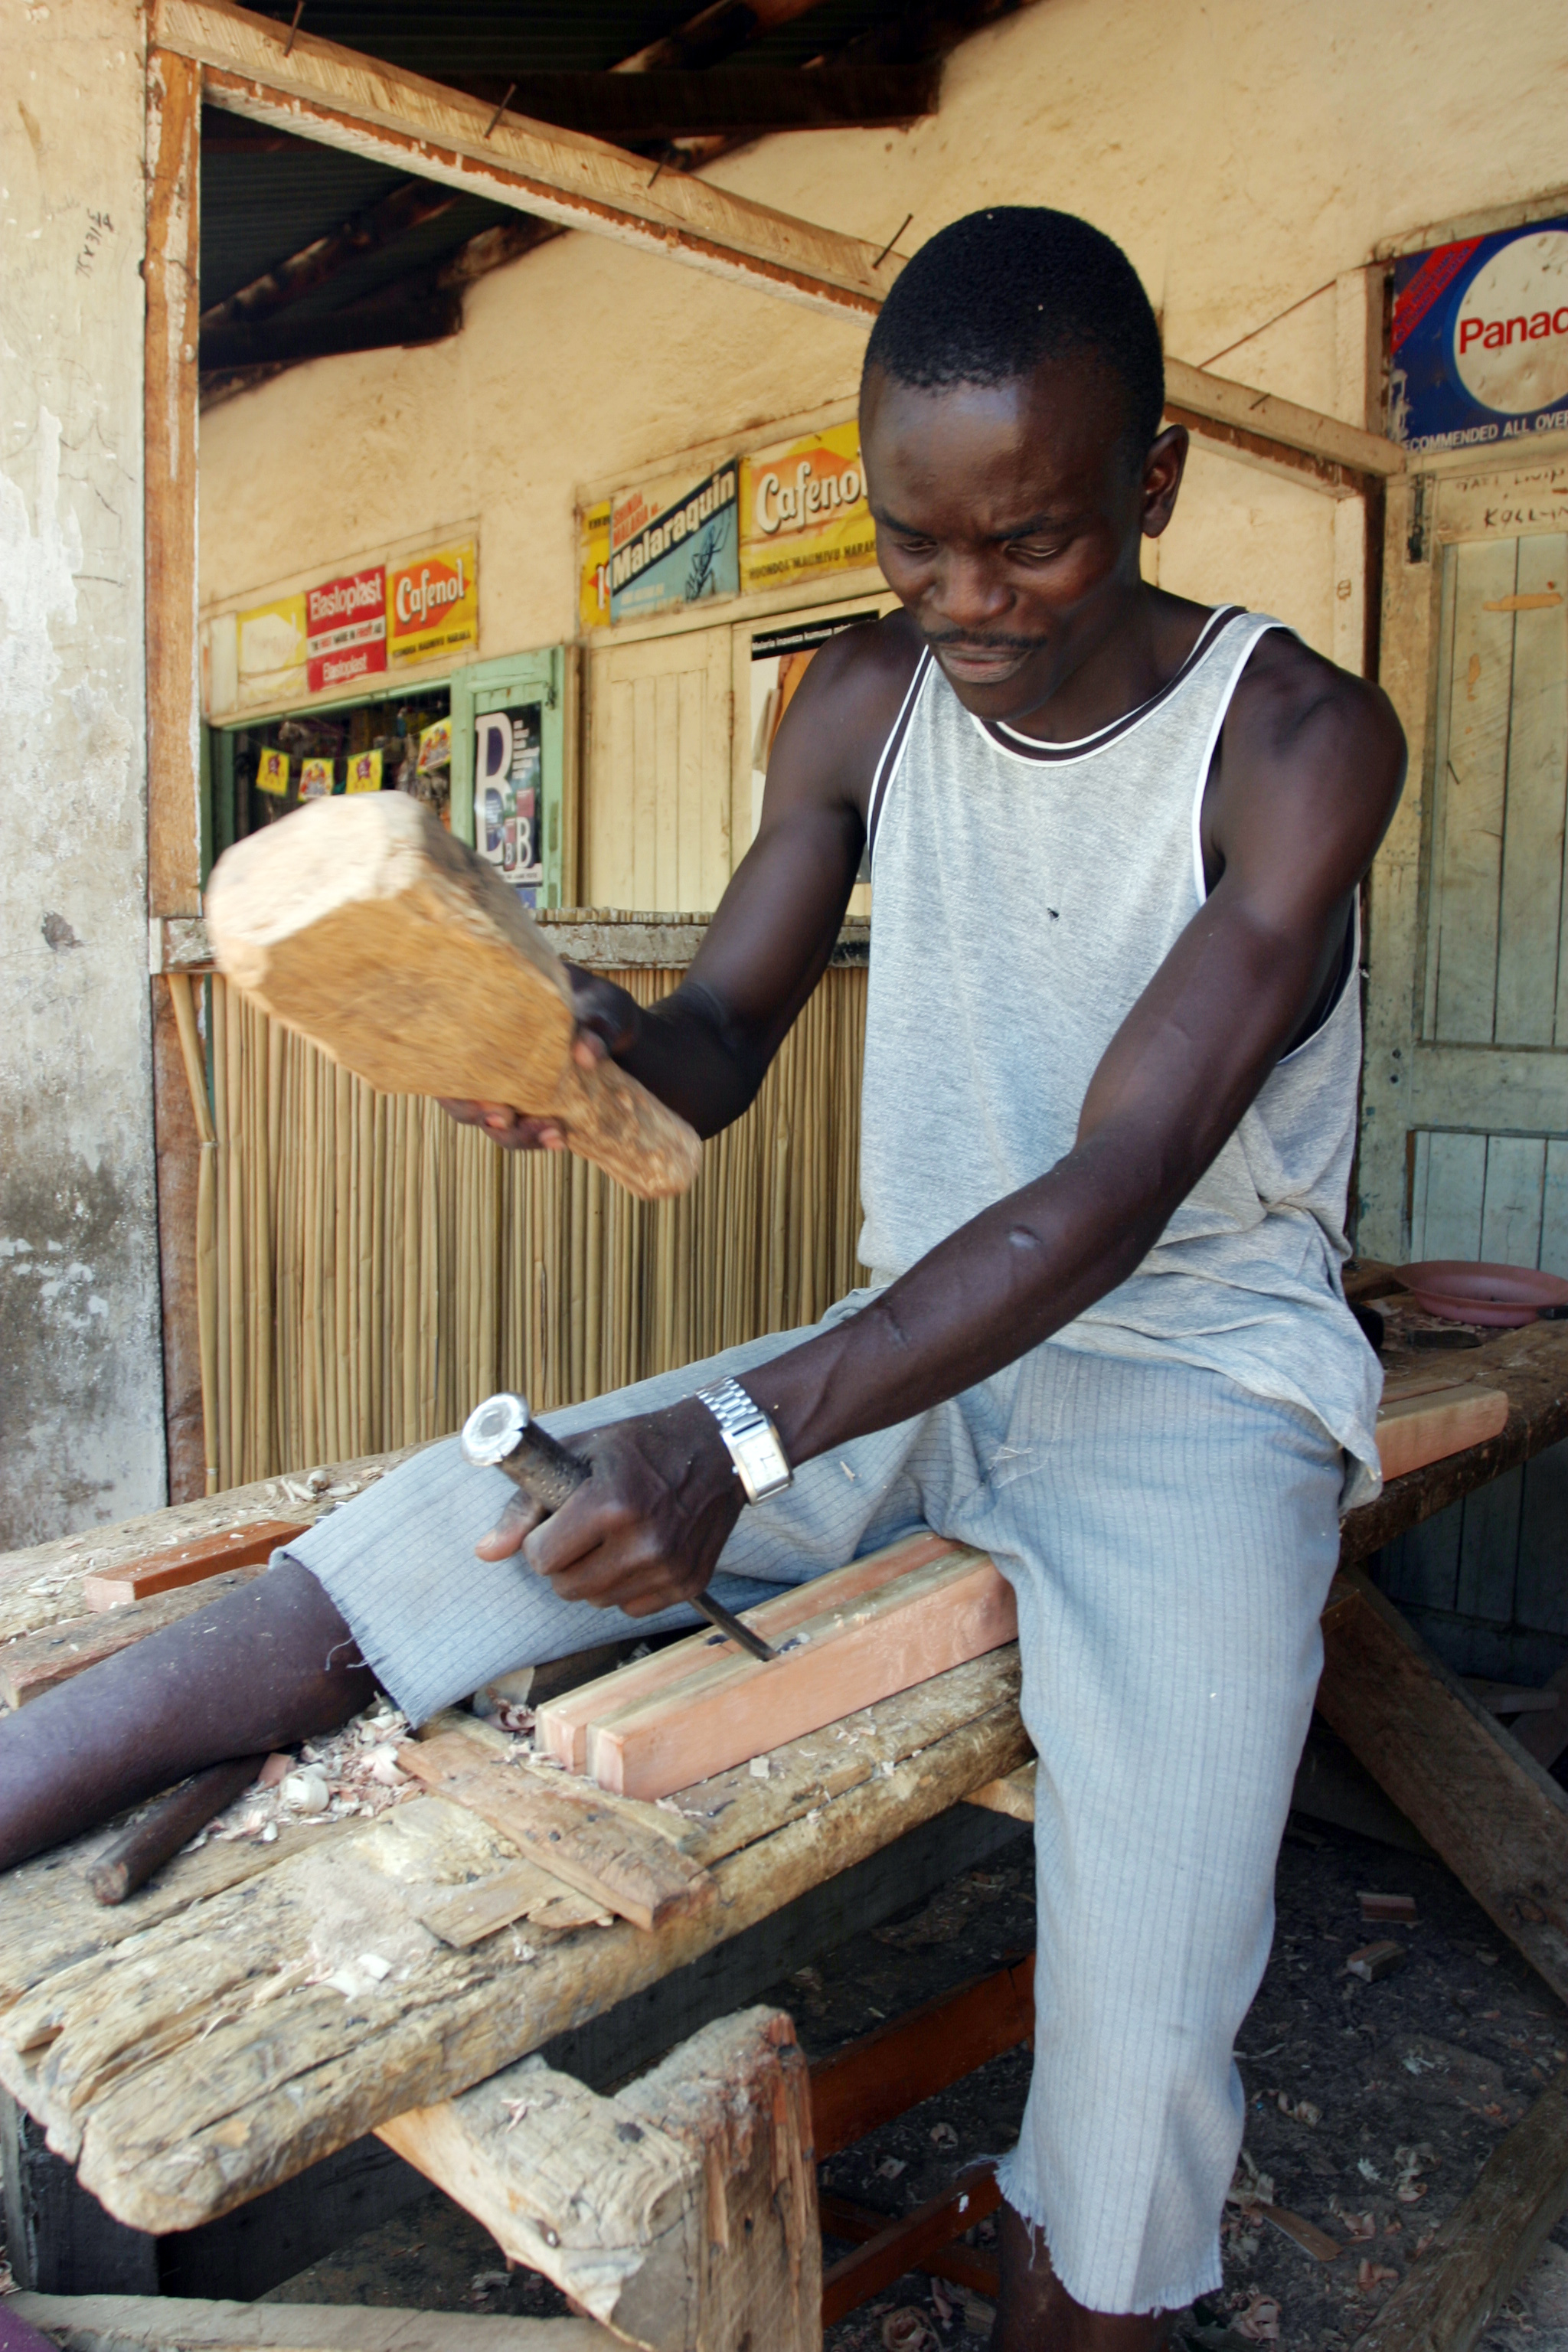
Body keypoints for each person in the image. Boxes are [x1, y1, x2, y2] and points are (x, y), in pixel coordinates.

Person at [0, 207, 1404, 2348]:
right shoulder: (862, 697)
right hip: (909, 1355)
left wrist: (742, 1434)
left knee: (1144, 2063)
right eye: (917, 546)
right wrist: (569, 1058)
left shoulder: (1296, 746)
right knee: (441, 1541)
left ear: (1152, 484)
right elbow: (726, 1041)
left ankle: (1079, 2292)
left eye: (1023, 543)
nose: (964, 607)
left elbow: (1117, 1184)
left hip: (1192, 1387)